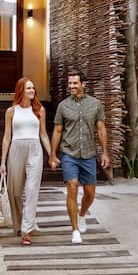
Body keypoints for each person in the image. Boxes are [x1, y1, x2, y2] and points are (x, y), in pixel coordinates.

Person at [49, 70, 109, 244]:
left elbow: (101, 129)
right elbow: (57, 131)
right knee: (72, 187)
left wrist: (105, 152)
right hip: (69, 153)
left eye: (75, 83)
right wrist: (52, 155)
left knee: (90, 193)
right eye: (70, 83)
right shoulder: (63, 106)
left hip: (89, 154)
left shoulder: (95, 104)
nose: (71, 86)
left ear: (83, 84)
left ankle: (82, 214)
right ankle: (75, 230)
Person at [0, 78, 50, 246]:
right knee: (15, 192)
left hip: (35, 149)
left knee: (31, 190)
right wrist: (3, 162)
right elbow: (7, 137)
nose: (32, 90)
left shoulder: (39, 110)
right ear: (21, 90)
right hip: (16, 149)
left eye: (33, 88)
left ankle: (26, 229)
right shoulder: (11, 111)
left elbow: (43, 134)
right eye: (28, 88)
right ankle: (22, 223)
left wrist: (51, 155)